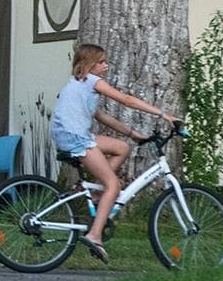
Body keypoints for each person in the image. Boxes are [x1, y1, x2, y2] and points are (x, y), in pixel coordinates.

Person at [51, 43, 178, 263]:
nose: (106, 66)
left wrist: (131, 133)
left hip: (73, 135)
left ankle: (98, 192)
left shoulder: (80, 85)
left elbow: (102, 117)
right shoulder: (92, 81)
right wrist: (163, 114)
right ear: (89, 64)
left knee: (122, 148)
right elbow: (126, 100)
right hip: (75, 138)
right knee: (114, 185)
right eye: (101, 62)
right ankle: (94, 235)